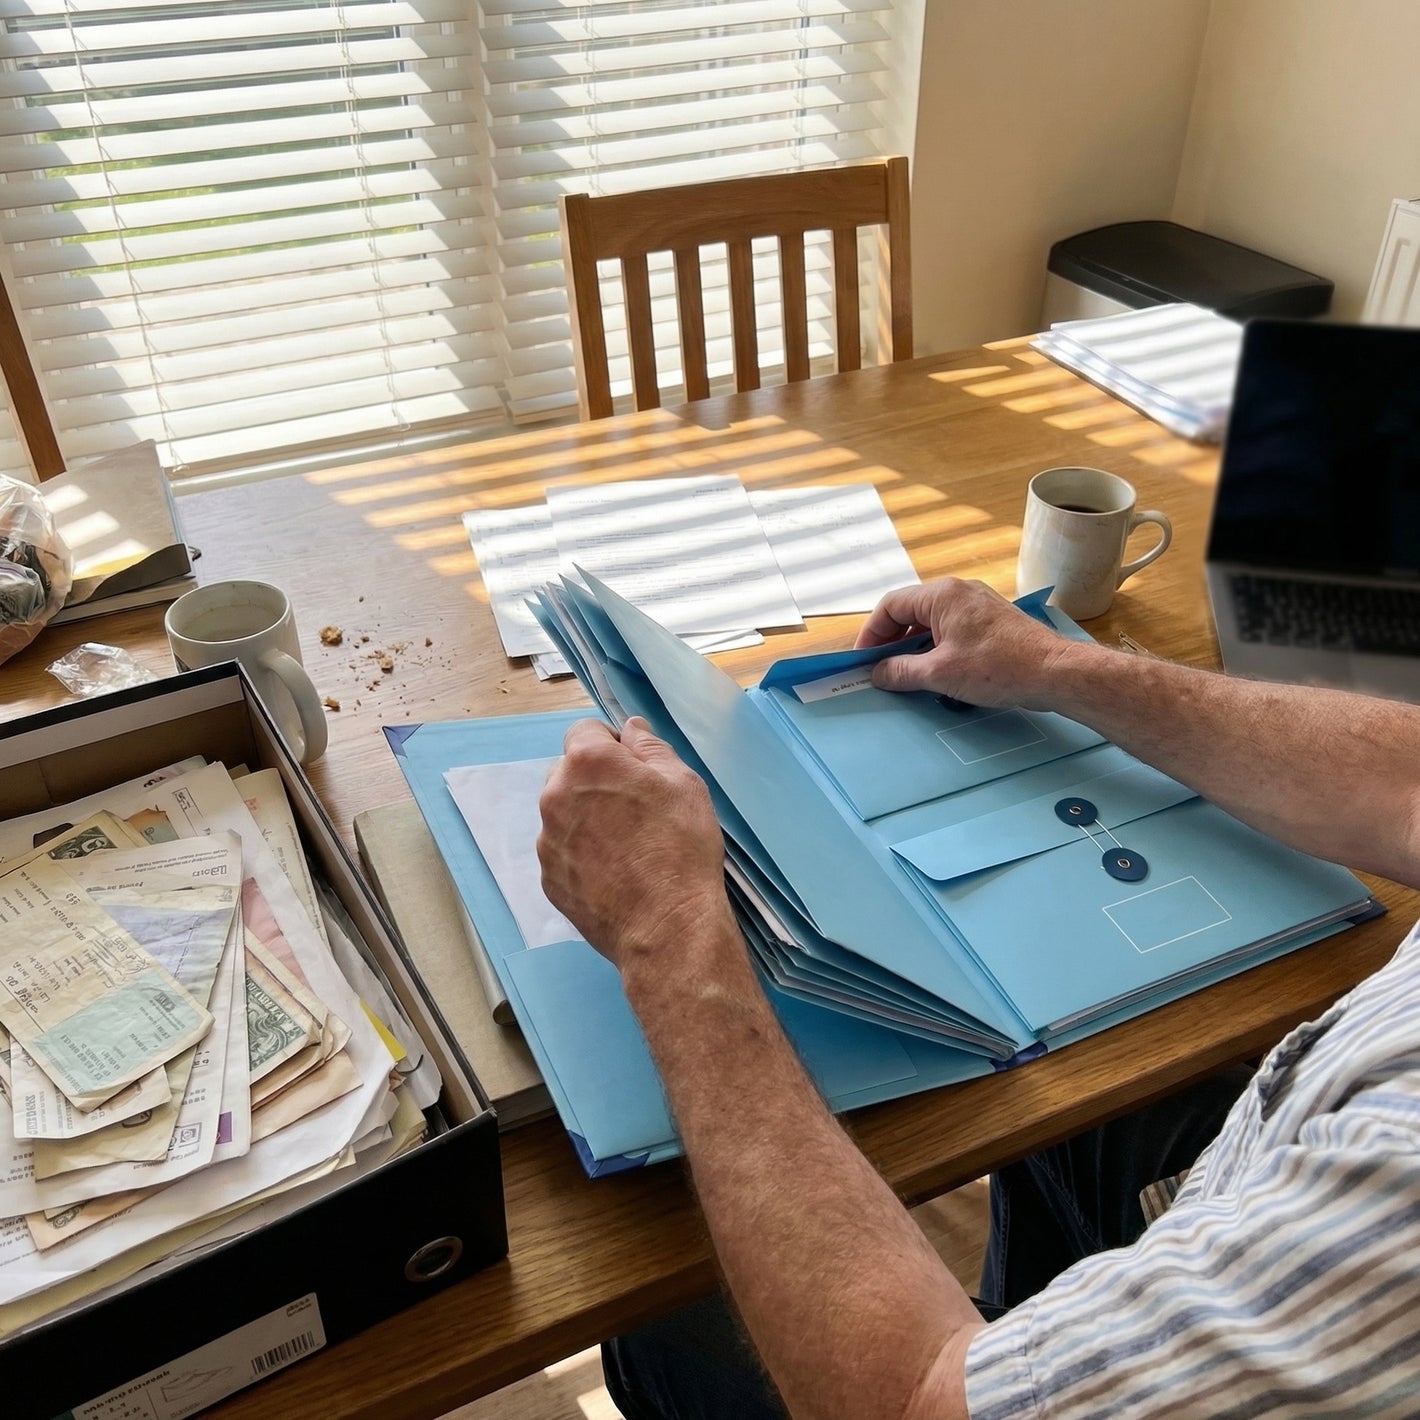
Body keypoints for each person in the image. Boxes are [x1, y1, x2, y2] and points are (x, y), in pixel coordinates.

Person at [536, 576, 1420, 1419]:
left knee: (663, 1302)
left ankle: (1028, 1334)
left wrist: (667, 930)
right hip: (1274, 1149)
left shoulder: (1394, 1205)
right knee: (1094, 1094)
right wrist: (1058, 667)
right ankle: (1037, 1310)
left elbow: (911, 1400)